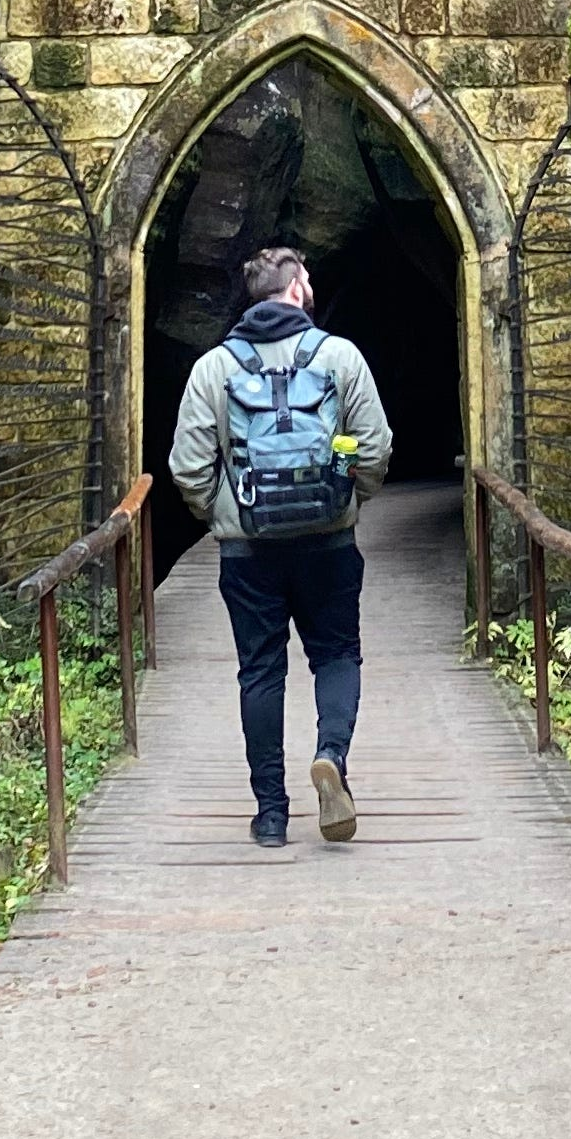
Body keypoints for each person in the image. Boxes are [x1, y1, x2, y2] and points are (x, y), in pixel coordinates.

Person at [167, 245, 394, 846]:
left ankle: (271, 814)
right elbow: (373, 449)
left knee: (260, 673)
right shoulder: (340, 357)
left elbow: (189, 469)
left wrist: (227, 513)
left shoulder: (213, 369)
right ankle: (331, 759)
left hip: (248, 552)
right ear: (296, 289)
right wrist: (349, 501)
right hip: (329, 543)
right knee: (337, 654)